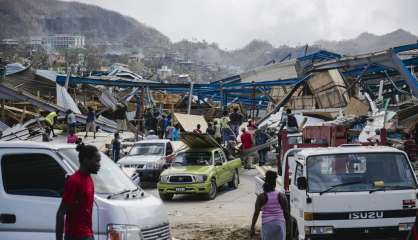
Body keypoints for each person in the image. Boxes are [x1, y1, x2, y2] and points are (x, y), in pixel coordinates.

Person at [56, 144, 101, 240]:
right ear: (86, 160)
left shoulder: (89, 179)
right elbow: (61, 212)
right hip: (75, 236)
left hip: (87, 234)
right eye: (96, 161)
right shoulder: (74, 181)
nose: (99, 164)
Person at [250, 171, 289, 240]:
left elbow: (256, 213)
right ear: (275, 183)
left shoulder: (261, 197)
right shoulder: (281, 196)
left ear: (265, 180)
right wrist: (289, 231)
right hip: (280, 225)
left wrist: (252, 227)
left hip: (267, 225)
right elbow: (286, 214)